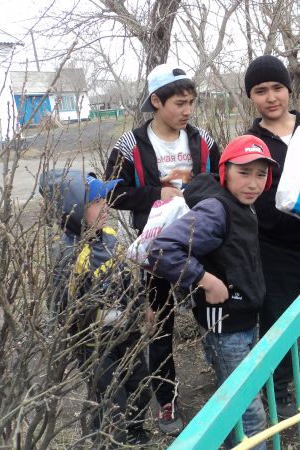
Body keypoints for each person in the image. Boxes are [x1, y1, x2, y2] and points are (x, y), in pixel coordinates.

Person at [105, 63, 221, 435]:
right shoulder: (130, 145)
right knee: (160, 326)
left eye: (191, 102)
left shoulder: (202, 140)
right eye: (179, 103)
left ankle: (226, 379)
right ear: (156, 101)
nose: (188, 111)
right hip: (155, 251)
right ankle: (166, 397)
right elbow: (112, 193)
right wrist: (158, 193)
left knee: (213, 313)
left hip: (202, 245)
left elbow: (220, 181)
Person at [147, 135, 277, 449]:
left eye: (261, 174)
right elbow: (162, 250)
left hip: (244, 319)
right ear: (225, 171)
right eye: (243, 172)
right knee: (248, 413)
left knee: (241, 398)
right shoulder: (217, 210)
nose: (253, 183)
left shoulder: (243, 204)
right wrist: (206, 279)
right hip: (226, 327)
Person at [243, 54, 300, 418]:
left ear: (289, 89)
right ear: (251, 96)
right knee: (276, 320)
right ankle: (279, 388)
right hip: (274, 250)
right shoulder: (251, 141)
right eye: (260, 90)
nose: (271, 97)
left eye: (277, 88)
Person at [40, 169, 152, 446]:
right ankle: (109, 440)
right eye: (95, 202)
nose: (105, 207)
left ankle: (136, 431)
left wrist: (142, 305)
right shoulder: (69, 256)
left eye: (104, 199)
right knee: (111, 399)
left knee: (140, 384)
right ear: (73, 211)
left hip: (127, 331)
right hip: (95, 345)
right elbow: (61, 309)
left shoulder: (109, 236)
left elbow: (127, 278)